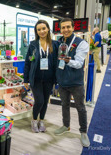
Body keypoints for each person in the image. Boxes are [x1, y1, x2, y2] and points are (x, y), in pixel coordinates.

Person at [54, 18, 90, 147]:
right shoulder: (58, 42)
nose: (66, 30)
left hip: (76, 82)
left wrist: (68, 61)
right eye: (63, 27)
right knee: (64, 105)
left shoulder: (81, 43)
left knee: (80, 107)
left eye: (68, 27)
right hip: (62, 81)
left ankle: (83, 132)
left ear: (73, 28)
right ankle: (66, 125)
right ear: (60, 29)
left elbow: (79, 64)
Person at [24, 20, 59, 133]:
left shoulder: (55, 44)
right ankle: (34, 120)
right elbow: (28, 62)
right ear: (36, 31)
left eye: (43, 28)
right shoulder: (33, 45)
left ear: (48, 29)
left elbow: (57, 62)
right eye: (39, 29)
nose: (42, 31)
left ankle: (42, 120)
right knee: (39, 101)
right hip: (36, 78)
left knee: (45, 101)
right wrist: (26, 79)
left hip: (49, 79)